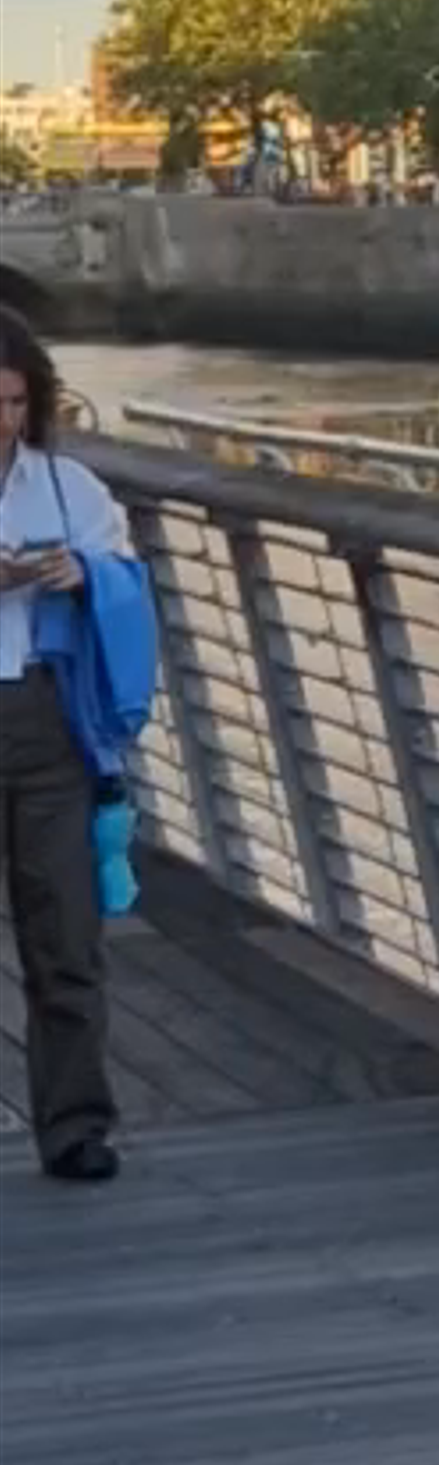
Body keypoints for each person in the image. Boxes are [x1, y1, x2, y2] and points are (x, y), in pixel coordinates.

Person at [0, 311, 152, 1186]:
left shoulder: (69, 488)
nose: (4, 421)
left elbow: (127, 575)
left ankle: (76, 1125)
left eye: (17, 402)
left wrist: (81, 575)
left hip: (47, 716)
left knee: (65, 930)